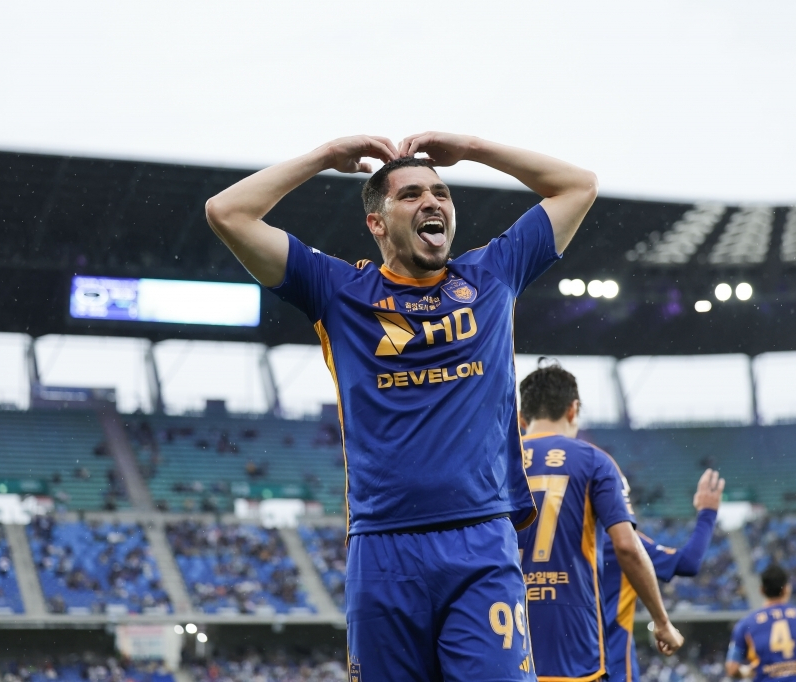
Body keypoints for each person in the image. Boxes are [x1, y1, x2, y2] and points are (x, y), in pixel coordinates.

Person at [205, 133, 598, 681]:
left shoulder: (491, 275)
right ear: (377, 222)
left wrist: (473, 149)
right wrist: (323, 158)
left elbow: (578, 186)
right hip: (384, 549)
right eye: (411, 194)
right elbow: (226, 212)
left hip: (481, 541)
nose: (432, 202)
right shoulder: (338, 290)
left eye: (441, 192)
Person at [516, 364, 683, 681]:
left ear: (522, 416)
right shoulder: (594, 461)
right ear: (573, 409)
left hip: (508, 639)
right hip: (574, 648)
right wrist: (662, 622)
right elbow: (626, 546)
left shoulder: (497, 461)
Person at [602, 468, 723, 682]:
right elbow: (688, 562)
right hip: (611, 665)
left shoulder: (560, 540)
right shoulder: (623, 540)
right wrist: (707, 513)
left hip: (557, 665)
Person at [726, 564, 796, 682]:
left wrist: (747, 672)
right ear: (787, 588)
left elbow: (732, 668)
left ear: (761, 590)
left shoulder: (745, 624)